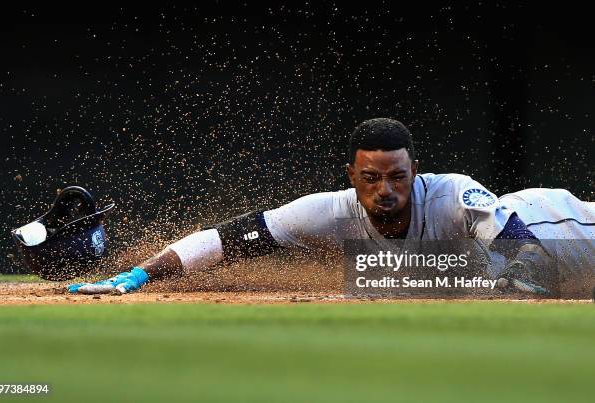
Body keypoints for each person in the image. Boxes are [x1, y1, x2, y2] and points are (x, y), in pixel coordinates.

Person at [68, 118, 594, 296]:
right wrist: (139, 274)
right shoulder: (332, 209)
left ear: (416, 172)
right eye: (371, 178)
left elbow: (526, 255)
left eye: (397, 176)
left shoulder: (455, 192)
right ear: (352, 177)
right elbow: (233, 238)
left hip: (562, 226)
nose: (384, 189)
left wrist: (499, 282)